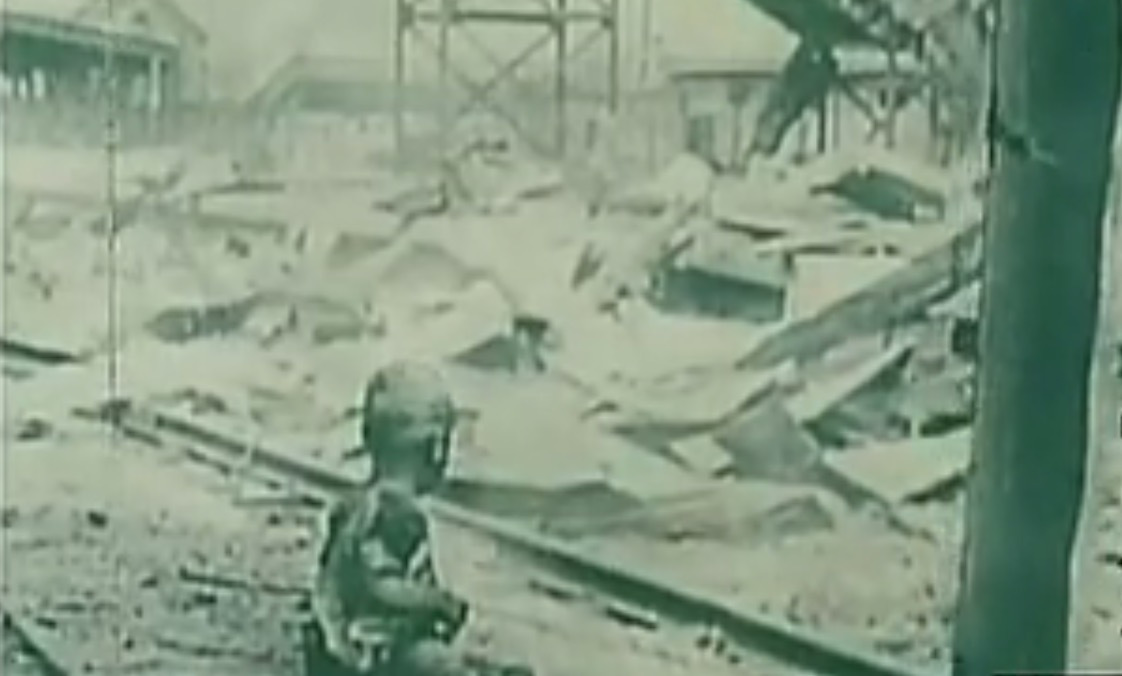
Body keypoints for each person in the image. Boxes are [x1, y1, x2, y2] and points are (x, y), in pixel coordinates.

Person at [305, 361, 475, 676]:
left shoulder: (353, 505)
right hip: (362, 653)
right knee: (439, 663)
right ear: (435, 448)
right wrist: (437, 603)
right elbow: (381, 584)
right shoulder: (397, 513)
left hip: (333, 647)